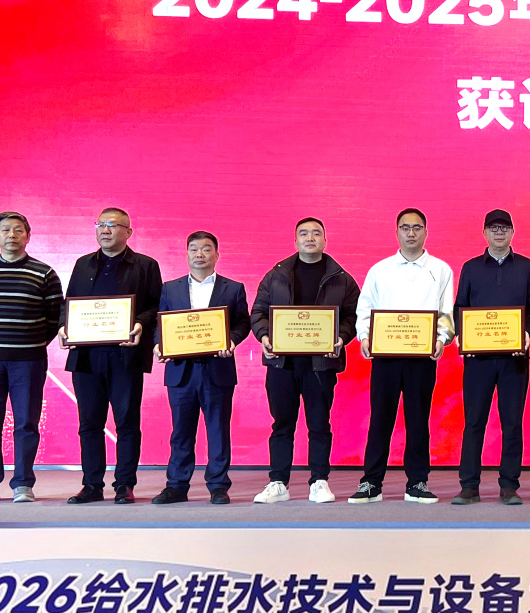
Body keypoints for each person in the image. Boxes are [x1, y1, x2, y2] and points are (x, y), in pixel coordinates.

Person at [250, 217, 360, 504]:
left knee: (319, 424)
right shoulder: (276, 275)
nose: (310, 238)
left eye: (316, 233)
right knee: (281, 424)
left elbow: (353, 317)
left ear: (325, 239)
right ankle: (278, 482)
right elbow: (258, 312)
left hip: (320, 364)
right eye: (303, 233)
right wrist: (264, 337)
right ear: (295, 240)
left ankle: (319, 481)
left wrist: (341, 338)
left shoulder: (341, 278)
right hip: (282, 364)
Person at [350, 208, 455, 505]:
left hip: (422, 358)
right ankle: (371, 482)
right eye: (405, 227)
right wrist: (365, 336)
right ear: (396, 232)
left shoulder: (441, 270)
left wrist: (441, 339)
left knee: (418, 420)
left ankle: (417, 482)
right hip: (386, 357)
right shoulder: (380, 270)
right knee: (380, 419)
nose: (411, 233)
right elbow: (365, 309)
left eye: (417, 227)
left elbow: (446, 311)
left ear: (426, 232)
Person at [61, 207, 162, 505]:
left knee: (127, 423)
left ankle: (124, 484)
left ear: (128, 232)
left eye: (113, 225)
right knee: (89, 424)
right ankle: (91, 484)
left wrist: (140, 323)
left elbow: (157, 305)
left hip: (125, 357)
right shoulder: (82, 264)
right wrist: (64, 327)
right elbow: (70, 304)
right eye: (101, 224)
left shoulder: (145, 265)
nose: (106, 230)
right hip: (86, 357)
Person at [0, 212, 63, 504]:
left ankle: (23, 484)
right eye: (5, 230)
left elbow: (55, 317)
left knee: (26, 423)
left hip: (28, 359)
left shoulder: (44, 273)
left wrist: (28, 340)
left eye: (18, 230)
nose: (12, 235)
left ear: (28, 236)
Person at [150, 231, 251, 505]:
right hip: (180, 370)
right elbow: (160, 323)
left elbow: (243, 322)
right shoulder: (170, 288)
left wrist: (231, 340)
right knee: (180, 431)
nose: (200, 254)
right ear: (186, 255)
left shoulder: (233, 288)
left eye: (206, 249)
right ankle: (176, 486)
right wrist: (159, 344)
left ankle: (218, 486)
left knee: (218, 429)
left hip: (217, 368)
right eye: (194, 249)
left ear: (217, 255)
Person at [452, 209, 530, 506]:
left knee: (512, 423)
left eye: (505, 227)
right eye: (494, 227)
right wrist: (463, 335)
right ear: (484, 233)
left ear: (513, 232)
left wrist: (526, 331)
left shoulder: (527, 267)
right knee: (474, 422)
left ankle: (509, 486)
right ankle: (469, 486)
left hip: (514, 358)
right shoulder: (470, 267)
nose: (499, 232)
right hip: (477, 359)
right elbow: (460, 307)